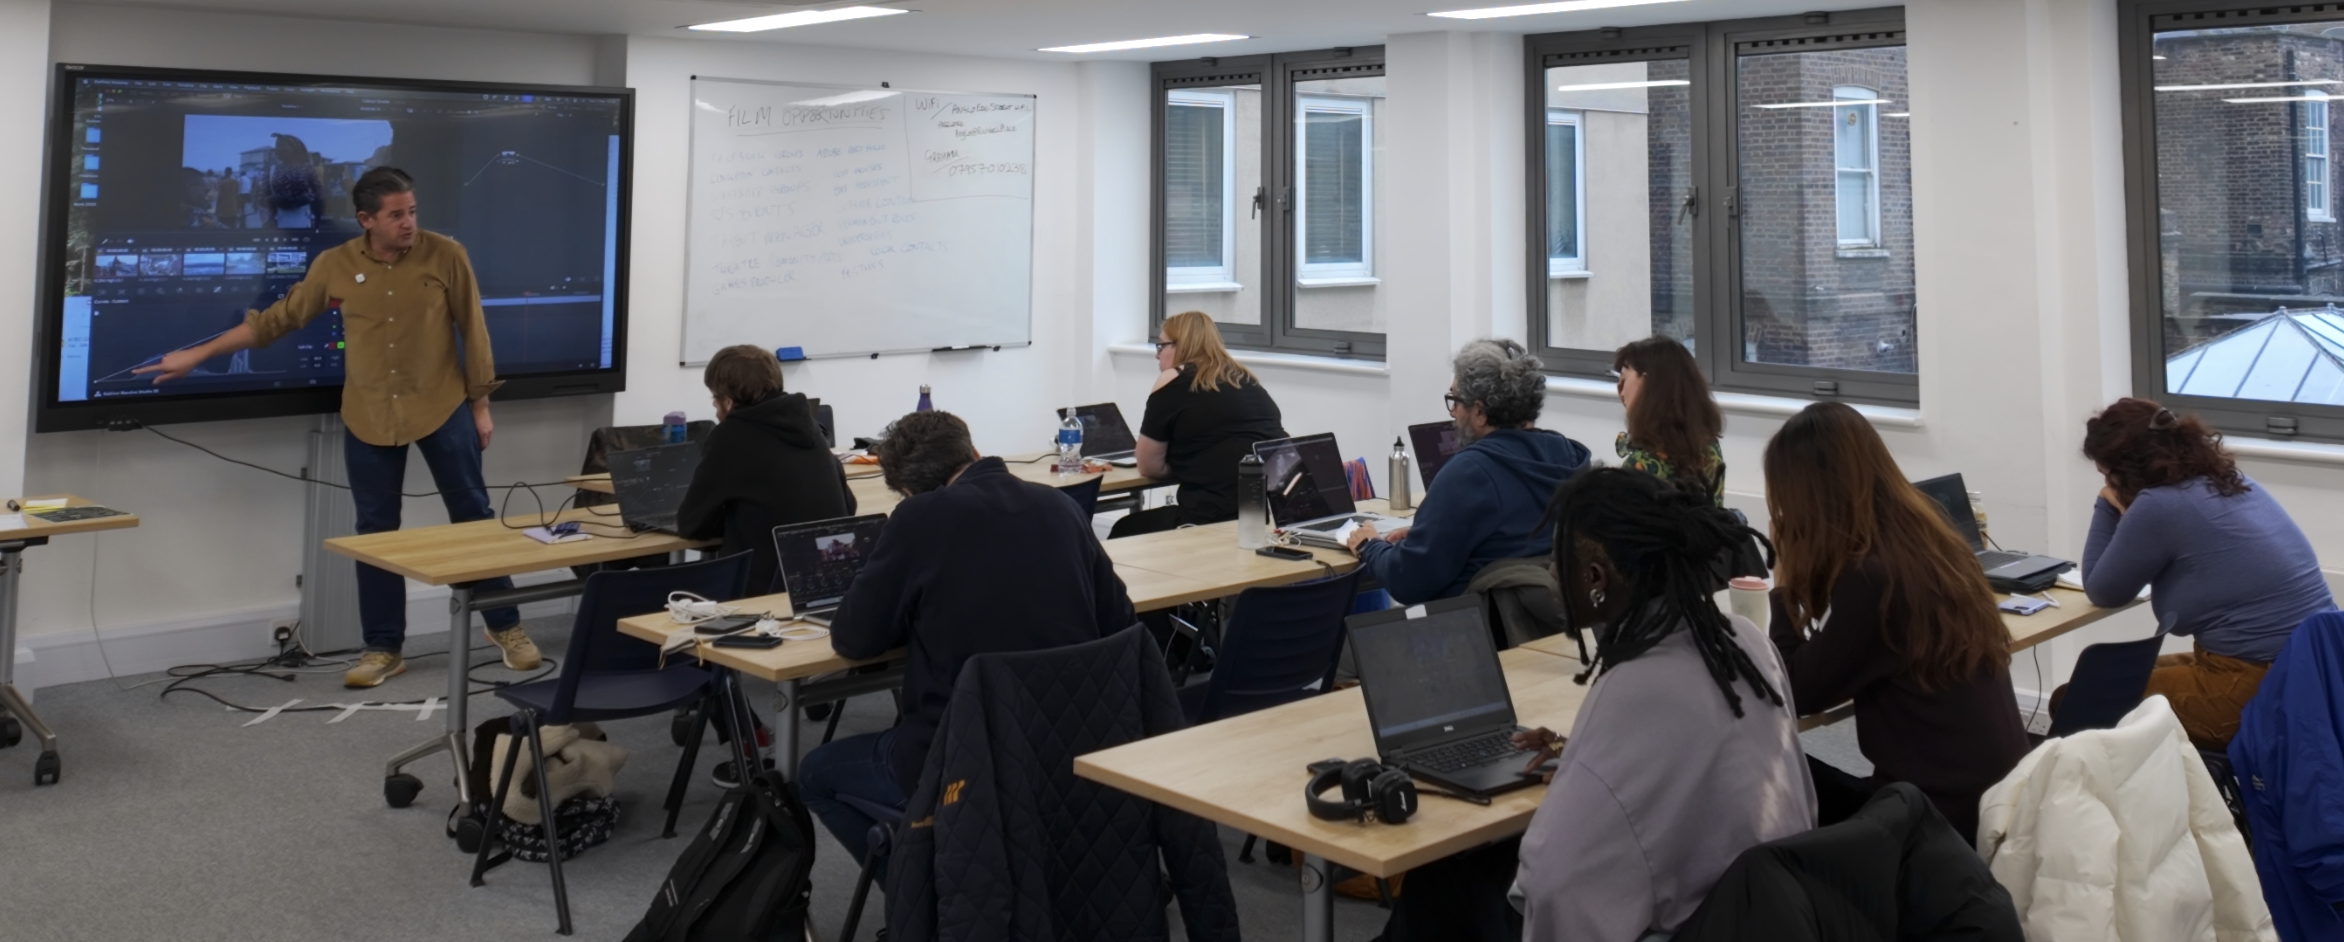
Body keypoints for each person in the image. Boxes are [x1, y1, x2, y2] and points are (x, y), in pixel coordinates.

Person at [134, 167, 532, 689]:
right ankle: (384, 648)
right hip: (368, 414)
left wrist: (480, 403)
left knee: (473, 516)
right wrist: (197, 354)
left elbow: (472, 329)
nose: (408, 222)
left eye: (411, 211)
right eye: (396, 215)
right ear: (366, 219)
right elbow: (275, 320)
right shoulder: (335, 265)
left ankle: (506, 628)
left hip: (442, 405)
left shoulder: (446, 255)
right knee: (375, 532)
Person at [1378, 469, 1813, 942]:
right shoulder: (1743, 640)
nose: (1547, 576)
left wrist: (1588, 766)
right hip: (1765, 907)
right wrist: (1581, 754)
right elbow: (1702, 762)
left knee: (1445, 879)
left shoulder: (1637, 686)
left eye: (1555, 563)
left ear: (1594, 579)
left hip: (1689, 923)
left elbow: (1553, 880)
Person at [802, 410, 1137, 862]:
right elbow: (1119, 619)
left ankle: (921, 909)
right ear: (973, 451)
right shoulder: (1058, 505)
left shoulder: (919, 517)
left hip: (963, 754)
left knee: (816, 775)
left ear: (907, 490)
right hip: (1075, 738)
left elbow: (855, 640)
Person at [1763, 402, 2029, 842]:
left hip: (1934, 823)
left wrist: (1784, 585)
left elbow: (1798, 691)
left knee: (1777, 771)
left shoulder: (1871, 580)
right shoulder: (1931, 544)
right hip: (1992, 799)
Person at [2078, 397, 2333, 750]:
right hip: (2314, 670)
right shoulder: (2231, 481)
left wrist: (2107, 501)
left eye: (2107, 473)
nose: (2107, 481)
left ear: (2127, 470)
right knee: (2101, 677)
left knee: (2079, 699)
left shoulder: (2159, 505)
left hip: (2253, 682)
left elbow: (2103, 590)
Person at [1344, 339, 1588, 604]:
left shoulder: (1470, 473)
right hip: (1557, 622)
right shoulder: (1568, 455)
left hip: (1482, 630)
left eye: (1455, 400)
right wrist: (1425, 533)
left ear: (1480, 411)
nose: (1453, 413)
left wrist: (1370, 545)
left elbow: (1408, 580)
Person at [674, 344, 856, 593]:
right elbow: (848, 505)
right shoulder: (808, 424)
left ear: (728, 402)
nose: (715, 409)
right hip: (829, 578)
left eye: (714, 398)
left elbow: (691, 525)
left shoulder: (730, 436)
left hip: (766, 589)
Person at [1125, 311, 1287, 534]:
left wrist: (1186, 463)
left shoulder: (1172, 378)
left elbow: (1148, 466)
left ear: (1180, 345)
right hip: (1262, 516)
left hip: (1207, 516)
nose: (1158, 355)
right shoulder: (1245, 378)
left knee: (1124, 528)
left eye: (1161, 346)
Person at [1612, 336, 1725, 504]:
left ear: (1645, 383)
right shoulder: (1710, 447)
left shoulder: (1640, 464)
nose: (1620, 390)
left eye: (1624, 377)